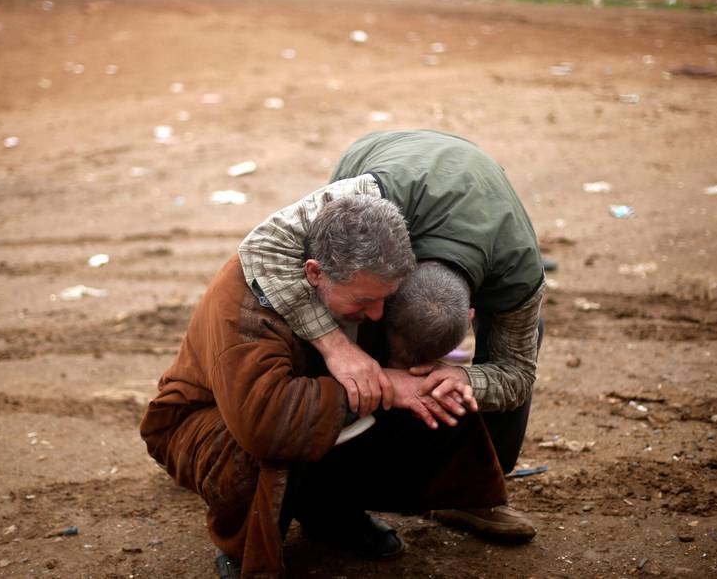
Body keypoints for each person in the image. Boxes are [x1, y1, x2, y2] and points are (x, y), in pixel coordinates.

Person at [140, 196, 507, 579]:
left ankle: (329, 512)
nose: (379, 314)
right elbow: (263, 420)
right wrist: (385, 385)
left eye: (385, 298)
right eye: (365, 301)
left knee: (429, 392)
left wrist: (424, 378)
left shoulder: (359, 276)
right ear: (314, 274)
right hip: (205, 421)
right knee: (265, 441)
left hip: (300, 395)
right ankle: (243, 539)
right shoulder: (244, 305)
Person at [239, 129, 546, 538]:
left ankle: (476, 494)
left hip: (483, 214)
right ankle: (330, 495)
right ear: (394, 286)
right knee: (335, 309)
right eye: (375, 307)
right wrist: (335, 347)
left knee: (516, 350)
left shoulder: (518, 279)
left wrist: (466, 378)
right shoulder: (369, 201)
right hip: (399, 169)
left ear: (472, 314)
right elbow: (262, 246)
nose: (406, 373)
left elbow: (518, 374)